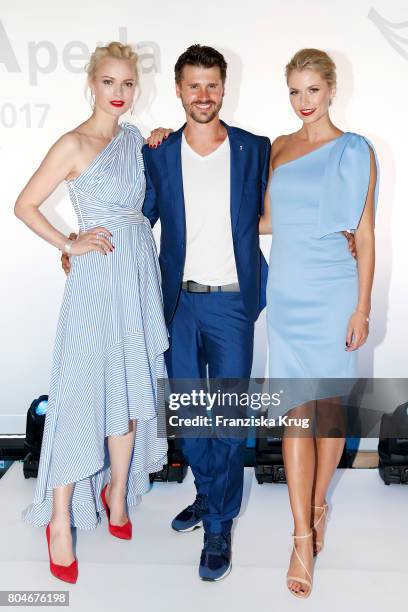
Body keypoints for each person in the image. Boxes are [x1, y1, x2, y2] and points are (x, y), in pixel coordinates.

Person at [15, 42, 169, 584]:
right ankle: (60, 520)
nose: (120, 93)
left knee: (129, 390)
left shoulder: (134, 139)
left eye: (128, 84)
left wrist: (159, 139)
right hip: (94, 281)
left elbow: (148, 199)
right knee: (81, 396)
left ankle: (118, 497)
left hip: (136, 276)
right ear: (92, 84)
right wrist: (68, 243)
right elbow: (24, 204)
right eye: (110, 82)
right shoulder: (73, 143)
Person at [259, 48, 378, 598]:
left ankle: (319, 501)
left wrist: (362, 307)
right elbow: (264, 219)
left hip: (334, 294)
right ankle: (301, 537)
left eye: (312, 90)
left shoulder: (356, 151)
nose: (304, 102)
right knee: (294, 415)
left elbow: (366, 231)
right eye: (294, 92)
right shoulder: (279, 148)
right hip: (286, 292)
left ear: (331, 90)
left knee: (328, 411)